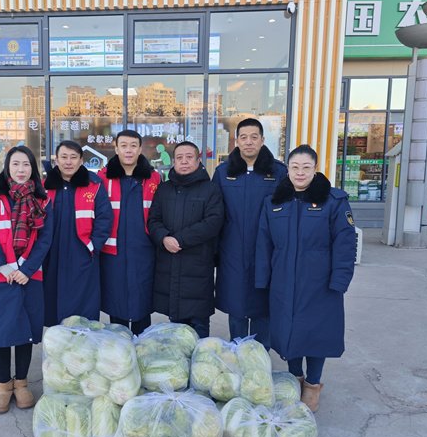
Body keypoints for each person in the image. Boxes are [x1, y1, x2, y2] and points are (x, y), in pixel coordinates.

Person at [255, 144, 356, 412]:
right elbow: (263, 244)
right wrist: (262, 279)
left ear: (316, 169)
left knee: (317, 334)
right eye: (295, 167)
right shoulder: (274, 202)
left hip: (319, 283)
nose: (300, 173)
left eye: (306, 167)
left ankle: (312, 385)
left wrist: (339, 281)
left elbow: (345, 244)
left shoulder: (334, 201)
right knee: (288, 333)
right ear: (287, 170)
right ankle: (294, 378)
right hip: (283, 282)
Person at [0, 146, 53, 414]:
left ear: (33, 168)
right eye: (16, 164)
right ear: (7, 167)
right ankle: (3, 386)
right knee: (0, 333)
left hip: (29, 276)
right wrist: (5, 266)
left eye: (26, 165)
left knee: (25, 332)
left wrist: (27, 268)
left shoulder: (42, 200)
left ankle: (21, 384)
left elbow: (46, 239)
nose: (21, 170)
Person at [213, 118, 287, 347]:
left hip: (267, 251)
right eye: (243, 137)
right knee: (236, 307)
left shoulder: (278, 172)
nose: (248, 142)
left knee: (263, 307)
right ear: (236, 141)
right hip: (232, 252)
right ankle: (236, 355)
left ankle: (259, 356)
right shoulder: (223, 172)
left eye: (254, 137)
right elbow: (215, 214)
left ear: (262, 140)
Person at [148, 141, 224, 338]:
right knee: (177, 330)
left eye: (189, 157)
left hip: (197, 267)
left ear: (198, 160)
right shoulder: (163, 189)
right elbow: (153, 220)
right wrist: (164, 237)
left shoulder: (211, 190)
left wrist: (178, 239)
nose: (184, 162)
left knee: (199, 328)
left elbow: (213, 222)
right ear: (173, 162)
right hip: (170, 265)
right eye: (179, 158)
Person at [98, 130, 162, 335]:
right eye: (123, 145)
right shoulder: (102, 178)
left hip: (144, 251)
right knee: (116, 304)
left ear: (140, 149)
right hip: (112, 253)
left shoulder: (154, 178)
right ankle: (120, 353)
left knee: (142, 304)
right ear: (116, 149)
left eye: (133, 145)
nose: (128, 149)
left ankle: (142, 349)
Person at [42, 140, 113, 326]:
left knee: (83, 311)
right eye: (64, 157)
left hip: (82, 255)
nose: (68, 162)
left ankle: (83, 349)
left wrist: (93, 246)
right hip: (51, 255)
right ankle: (56, 351)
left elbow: (105, 219)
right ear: (56, 160)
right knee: (52, 307)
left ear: (81, 160)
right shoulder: (43, 187)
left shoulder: (94, 186)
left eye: (73, 157)